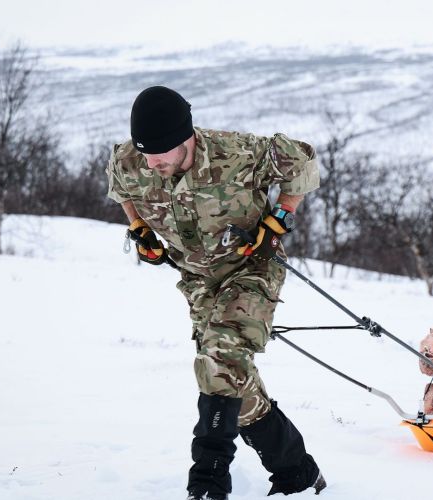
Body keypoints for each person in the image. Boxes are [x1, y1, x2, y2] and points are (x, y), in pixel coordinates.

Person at [105, 86, 325, 499]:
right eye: (146, 154)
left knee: (220, 360)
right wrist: (139, 228)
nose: (152, 163)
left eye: (161, 154)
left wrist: (279, 217)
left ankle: (208, 482)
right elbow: (122, 189)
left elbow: (303, 160)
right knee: (229, 382)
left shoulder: (237, 153)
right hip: (197, 279)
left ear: (186, 138)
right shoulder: (130, 160)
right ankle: (297, 472)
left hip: (252, 268)